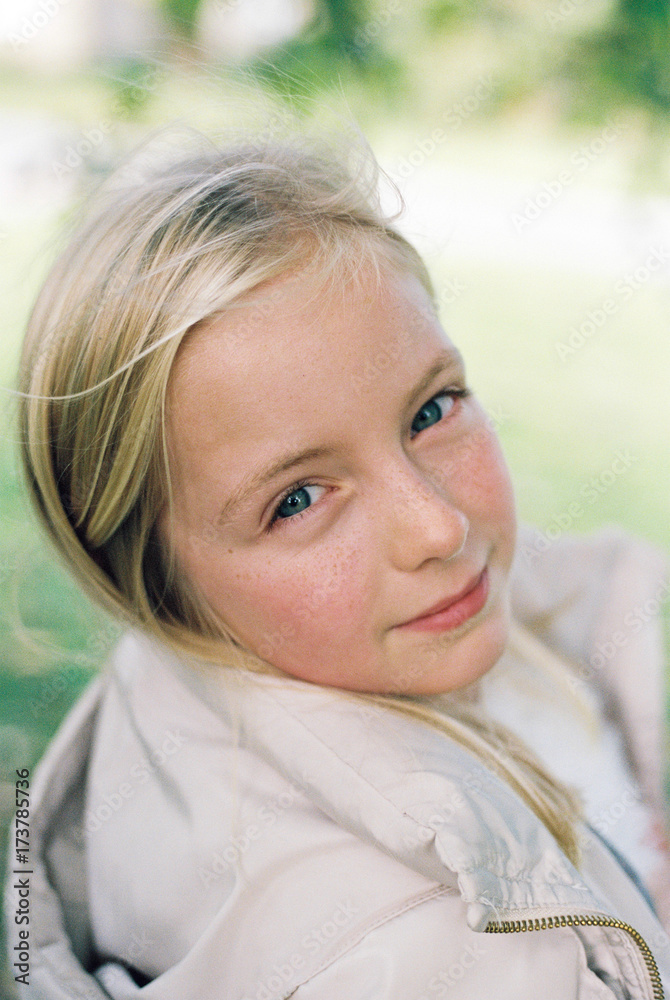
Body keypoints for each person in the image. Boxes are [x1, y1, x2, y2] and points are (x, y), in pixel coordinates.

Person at [6, 130, 670, 999]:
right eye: (297, 500)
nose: (436, 527)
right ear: (156, 587)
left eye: (432, 409)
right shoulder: (429, 954)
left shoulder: (354, 642)